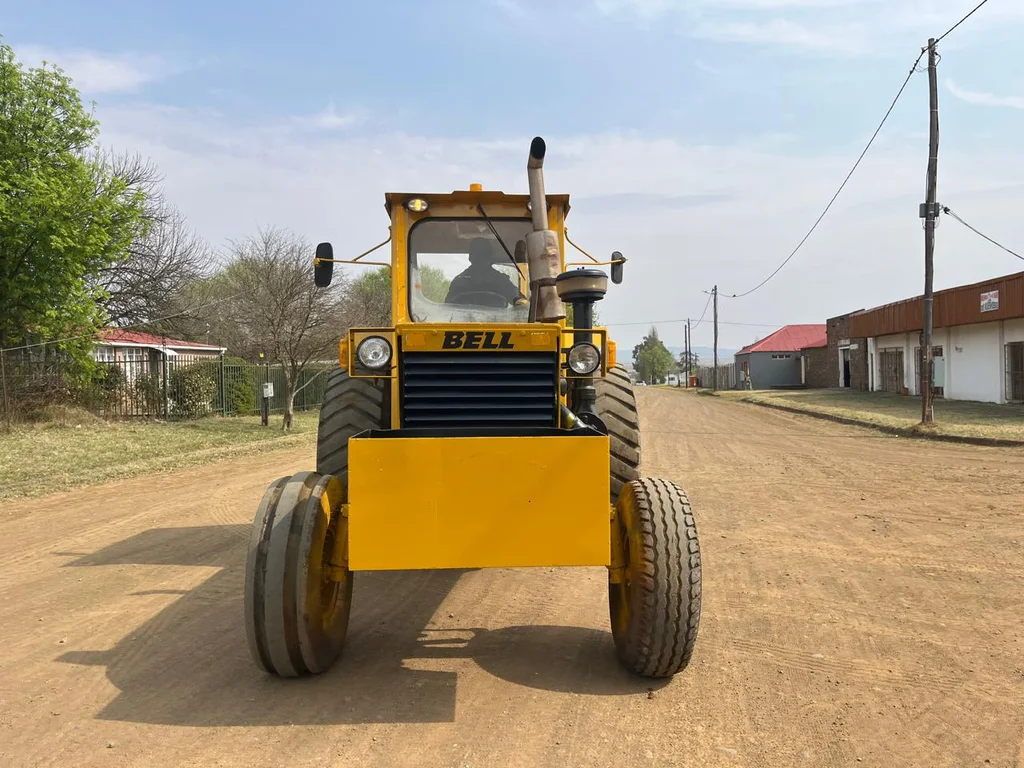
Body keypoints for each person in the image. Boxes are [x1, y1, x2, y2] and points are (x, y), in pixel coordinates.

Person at [445, 238, 526, 307]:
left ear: (489, 256)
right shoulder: (459, 281)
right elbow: (448, 307)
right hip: (464, 324)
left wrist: (518, 300)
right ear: (471, 257)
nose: (479, 258)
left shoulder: (501, 280)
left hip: (497, 323)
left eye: (483, 254)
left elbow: (515, 295)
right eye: (476, 254)